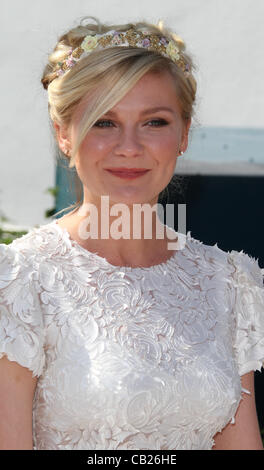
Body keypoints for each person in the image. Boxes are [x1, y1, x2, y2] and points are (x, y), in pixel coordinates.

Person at [0, 16, 264, 451]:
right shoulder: (20, 281)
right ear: (63, 134)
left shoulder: (228, 283)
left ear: (183, 134)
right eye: (104, 122)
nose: (129, 146)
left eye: (154, 122)